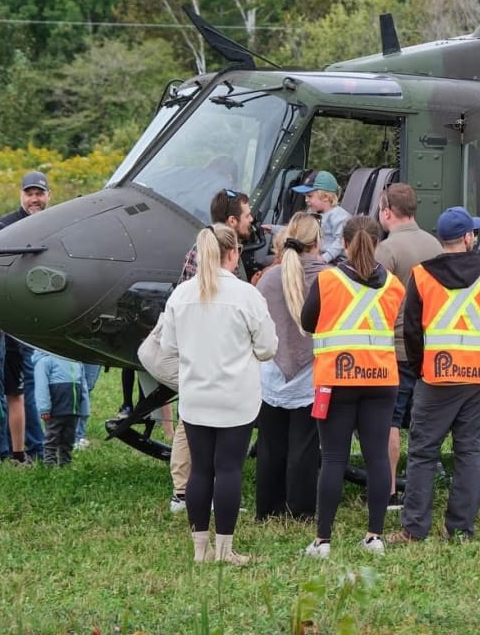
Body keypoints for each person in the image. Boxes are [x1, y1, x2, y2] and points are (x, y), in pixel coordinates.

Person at [388, 208, 480, 544]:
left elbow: (411, 330)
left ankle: (414, 530)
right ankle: (460, 530)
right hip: (477, 377)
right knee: (469, 452)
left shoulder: (422, 275)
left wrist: (419, 369)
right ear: (469, 237)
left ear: (441, 238)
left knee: (424, 453)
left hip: (436, 378)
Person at [159, 223, 277, 564]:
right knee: (228, 470)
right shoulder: (246, 295)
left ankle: (200, 549)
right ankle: (225, 549)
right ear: (233, 253)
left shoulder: (182, 295)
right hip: (236, 397)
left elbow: (168, 345)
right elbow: (268, 348)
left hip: (196, 395)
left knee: (199, 471)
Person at [300, 215, 405, 557]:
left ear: (344, 243)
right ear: (377, 243)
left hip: (336, 380)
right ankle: (374, 537)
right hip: (381, 380)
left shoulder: (327, 280)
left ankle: (323, 541)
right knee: (377, 458)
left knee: (332, 458)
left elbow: (308, 321)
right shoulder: (394, 285)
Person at [166, 187, 258, 513]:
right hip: (209, 352)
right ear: (232, 221)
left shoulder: (209, 252)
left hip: (204, 353)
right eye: (247, 215)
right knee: (189, 424)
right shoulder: (206, 257)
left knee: (193, 419)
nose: (252, 220)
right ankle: (181, 490)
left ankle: (190, 495)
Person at [253, 212, 327, 521]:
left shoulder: (269, 277)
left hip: (272, 371)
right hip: (312, 372)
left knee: (270, 444)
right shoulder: (329, 277)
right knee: (305, 445)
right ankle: (301, 510)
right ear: (317, 241)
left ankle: (267, 508)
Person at [374, 183, 443, 506]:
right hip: (430, 348)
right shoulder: (436, 247)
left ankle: (388, 490)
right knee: (424, 420)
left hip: (396, 348)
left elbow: (374, 301)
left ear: (387, 212)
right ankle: (422, 485)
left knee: (390, 421)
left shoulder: (386, 250)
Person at [0, 170, 53, 462]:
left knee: (30, 382)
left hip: (41, 317)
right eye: (29, 194)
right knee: (13, 384)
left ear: (48, 196)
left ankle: (32, 443)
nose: (34, 199)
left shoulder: (55, 226)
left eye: (39, 193)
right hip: (10, 318)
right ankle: (21, 445)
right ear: (21, 195)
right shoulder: (4, 227)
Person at [32, 346, 90, 466]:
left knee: (69, 438)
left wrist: (84, 408)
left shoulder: (76, 362)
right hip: (55, 409)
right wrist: (44, 408)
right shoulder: (45, 361)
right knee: (52, 437)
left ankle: (66, 463)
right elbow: (41, 386)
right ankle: (49, 464)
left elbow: (83, 386)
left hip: (73, 409)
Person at [292, 170, 351, 262]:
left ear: (326, 197)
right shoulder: (312, 213)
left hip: (335, 262)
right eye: (305, 196)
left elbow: (339, 242)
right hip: (316, 258)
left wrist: (324, 258)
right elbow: (295, 228)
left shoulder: (340, 216)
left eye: (310, 196)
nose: (306, 200)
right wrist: (272, 228)